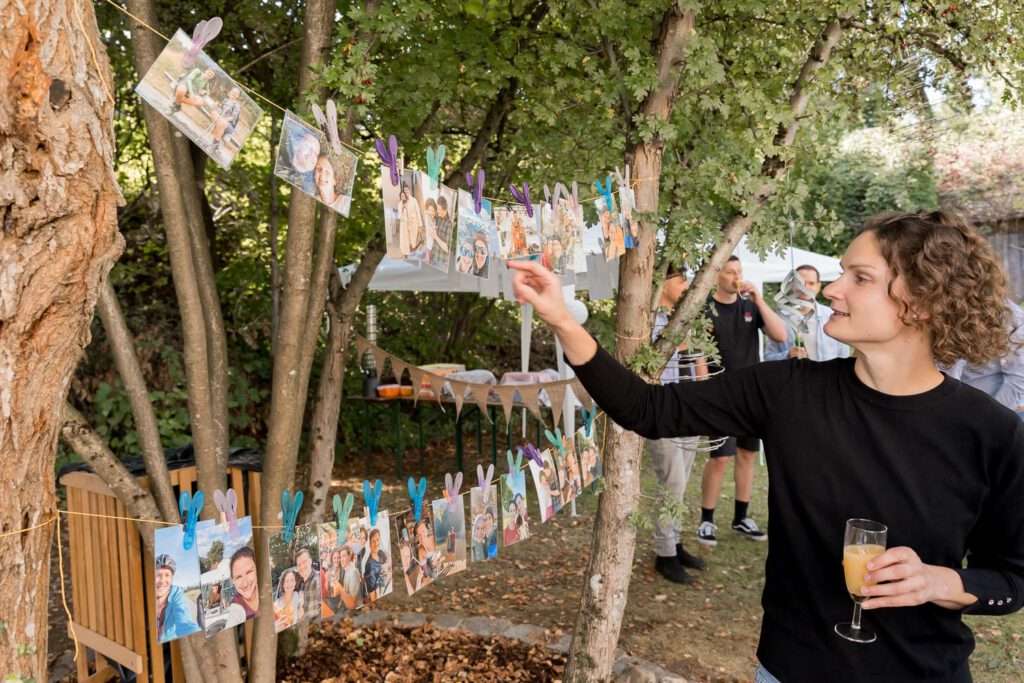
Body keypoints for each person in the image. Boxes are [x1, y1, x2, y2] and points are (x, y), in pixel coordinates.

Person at [509, 210, 1024, 682]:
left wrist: (938, 582)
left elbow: (1012, 579)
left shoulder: (992, 431)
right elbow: (647, 409)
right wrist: (563, 320)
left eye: (860, 278)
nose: (832, 290)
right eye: (841, 273)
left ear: (924, 301)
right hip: (789, 669)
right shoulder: (787, 392)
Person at [696, 255, 787, 546]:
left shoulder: (750, 306)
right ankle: (706, 520)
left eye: (739, 271)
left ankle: (741, 518)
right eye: (730, 272)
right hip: (720, 396)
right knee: (721, 457)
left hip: (751, 394)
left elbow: (780, 335)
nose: (736, 276)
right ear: (716, 276)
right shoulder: (705, 310)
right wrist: (704, 393)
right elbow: (699, 355)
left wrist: (759, 300)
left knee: (747, 455)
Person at [647, 266, 708, 584]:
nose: (686, 285)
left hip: (690, 409)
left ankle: (676, 543)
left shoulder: (685, 319)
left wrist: (707, 402)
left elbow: (699, 361)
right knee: (671, 482)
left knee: (682, 484)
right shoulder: (648, 323)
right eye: (681, 279)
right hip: (664, 412)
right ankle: (665, 554)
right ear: (663, 282)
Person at [943, 298, 1024, 410]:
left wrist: (985, 416)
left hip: (991, 407)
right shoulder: (942, 307)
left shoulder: (1012, 319)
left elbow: (1017, 382)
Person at [763, 264, 850, 362]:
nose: (805, 288)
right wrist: (787, 355)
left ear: (818, 286)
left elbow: (844, 356)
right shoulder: (779, 319)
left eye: (811, 283)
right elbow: (768, 357)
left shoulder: (832, 316)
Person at [154, 554, 200, 642]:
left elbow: (184, 622)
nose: (162, 580)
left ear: (172, 578)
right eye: (158, 575)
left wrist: (197, 635)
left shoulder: (176, 594)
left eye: (167, 575)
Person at [226, 547, 259, 623]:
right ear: (233, 581)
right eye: (238, 577)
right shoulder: (236, 611)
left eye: (249, 572)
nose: (245, 584)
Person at [361, 528, 389, 606]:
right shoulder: (370, 566)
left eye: (377, 540)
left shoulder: (381, 553)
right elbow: (372, 596)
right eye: (373, 541)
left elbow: (388, 566)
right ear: (369, 544)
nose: (376, 543)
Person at [210, 86, 242, 155]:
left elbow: (233, 117)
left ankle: (215, 144)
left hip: (229, 125)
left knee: (222, 122)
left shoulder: (237, 105)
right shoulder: (225, 100)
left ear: (237, 96)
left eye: (236, 93)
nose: (233, 93)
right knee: (214, 112)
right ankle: (215, 145)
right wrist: (215, 106)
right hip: (220, 120)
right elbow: (219, 110)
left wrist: (223, 119)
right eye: (232, 91)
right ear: (230, 92)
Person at [294, 547, 320, 622]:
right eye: (299, 564)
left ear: (310, 561)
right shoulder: (302, 584)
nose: (302, 566)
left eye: (304, 562)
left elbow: (317, 613)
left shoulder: (317, 579)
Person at [398, 185, 424, 256]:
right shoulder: (402, 202)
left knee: (413, 239)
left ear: (409, 190)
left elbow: (418, 212)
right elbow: (400, 215)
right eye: (404, 190)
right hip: (406, 224)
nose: (406, 191)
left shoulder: (414, 200)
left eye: (407, 190)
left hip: (414, 223)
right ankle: (407, 252)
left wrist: (420, 225)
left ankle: (414, 250)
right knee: (407, 239)